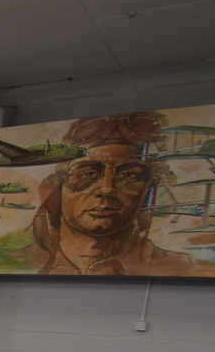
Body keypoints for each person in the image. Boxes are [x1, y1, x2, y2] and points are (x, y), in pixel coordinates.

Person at [16, 111, 196, 276]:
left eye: (129, 175)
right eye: (87, 174)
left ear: (148, 190)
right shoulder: (19, 262)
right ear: (57, 187)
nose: (107, 189)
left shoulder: (178, 267)